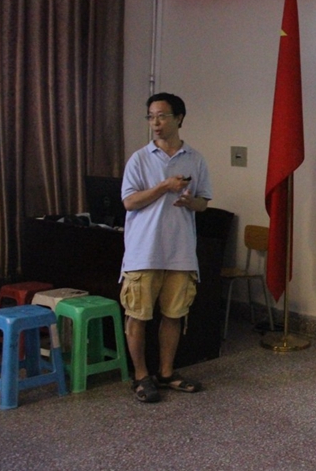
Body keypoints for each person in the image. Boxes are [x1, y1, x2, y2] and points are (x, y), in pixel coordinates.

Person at [120, 92, 212, 403]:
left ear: (179, 118)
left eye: (162, 116)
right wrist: (163, 187)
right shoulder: (140, 159)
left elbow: (203, 203)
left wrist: (191, 201)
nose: (156, 123)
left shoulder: (195, 158)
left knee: (174, 315)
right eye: (151, 117)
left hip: (180, 251)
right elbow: (129, 202)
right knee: (138, 315)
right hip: (144, 251)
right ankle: (140, 376)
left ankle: (167, 372)